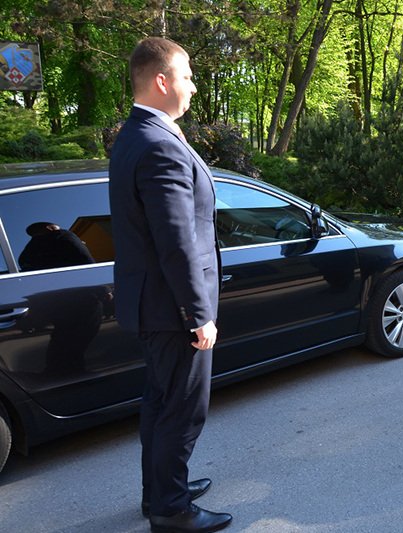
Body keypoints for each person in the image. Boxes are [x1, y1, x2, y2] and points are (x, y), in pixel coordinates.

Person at [109, 37, 231, 532]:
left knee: (159, 404)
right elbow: (176, 241)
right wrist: (197, 314)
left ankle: (157, 492)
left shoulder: (136, 134)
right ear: (162, 81)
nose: (194, 87)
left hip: (152, 305)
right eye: (187, 76)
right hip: (172, 309)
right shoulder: (159, 144)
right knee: (182, 411)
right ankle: (172, 510)